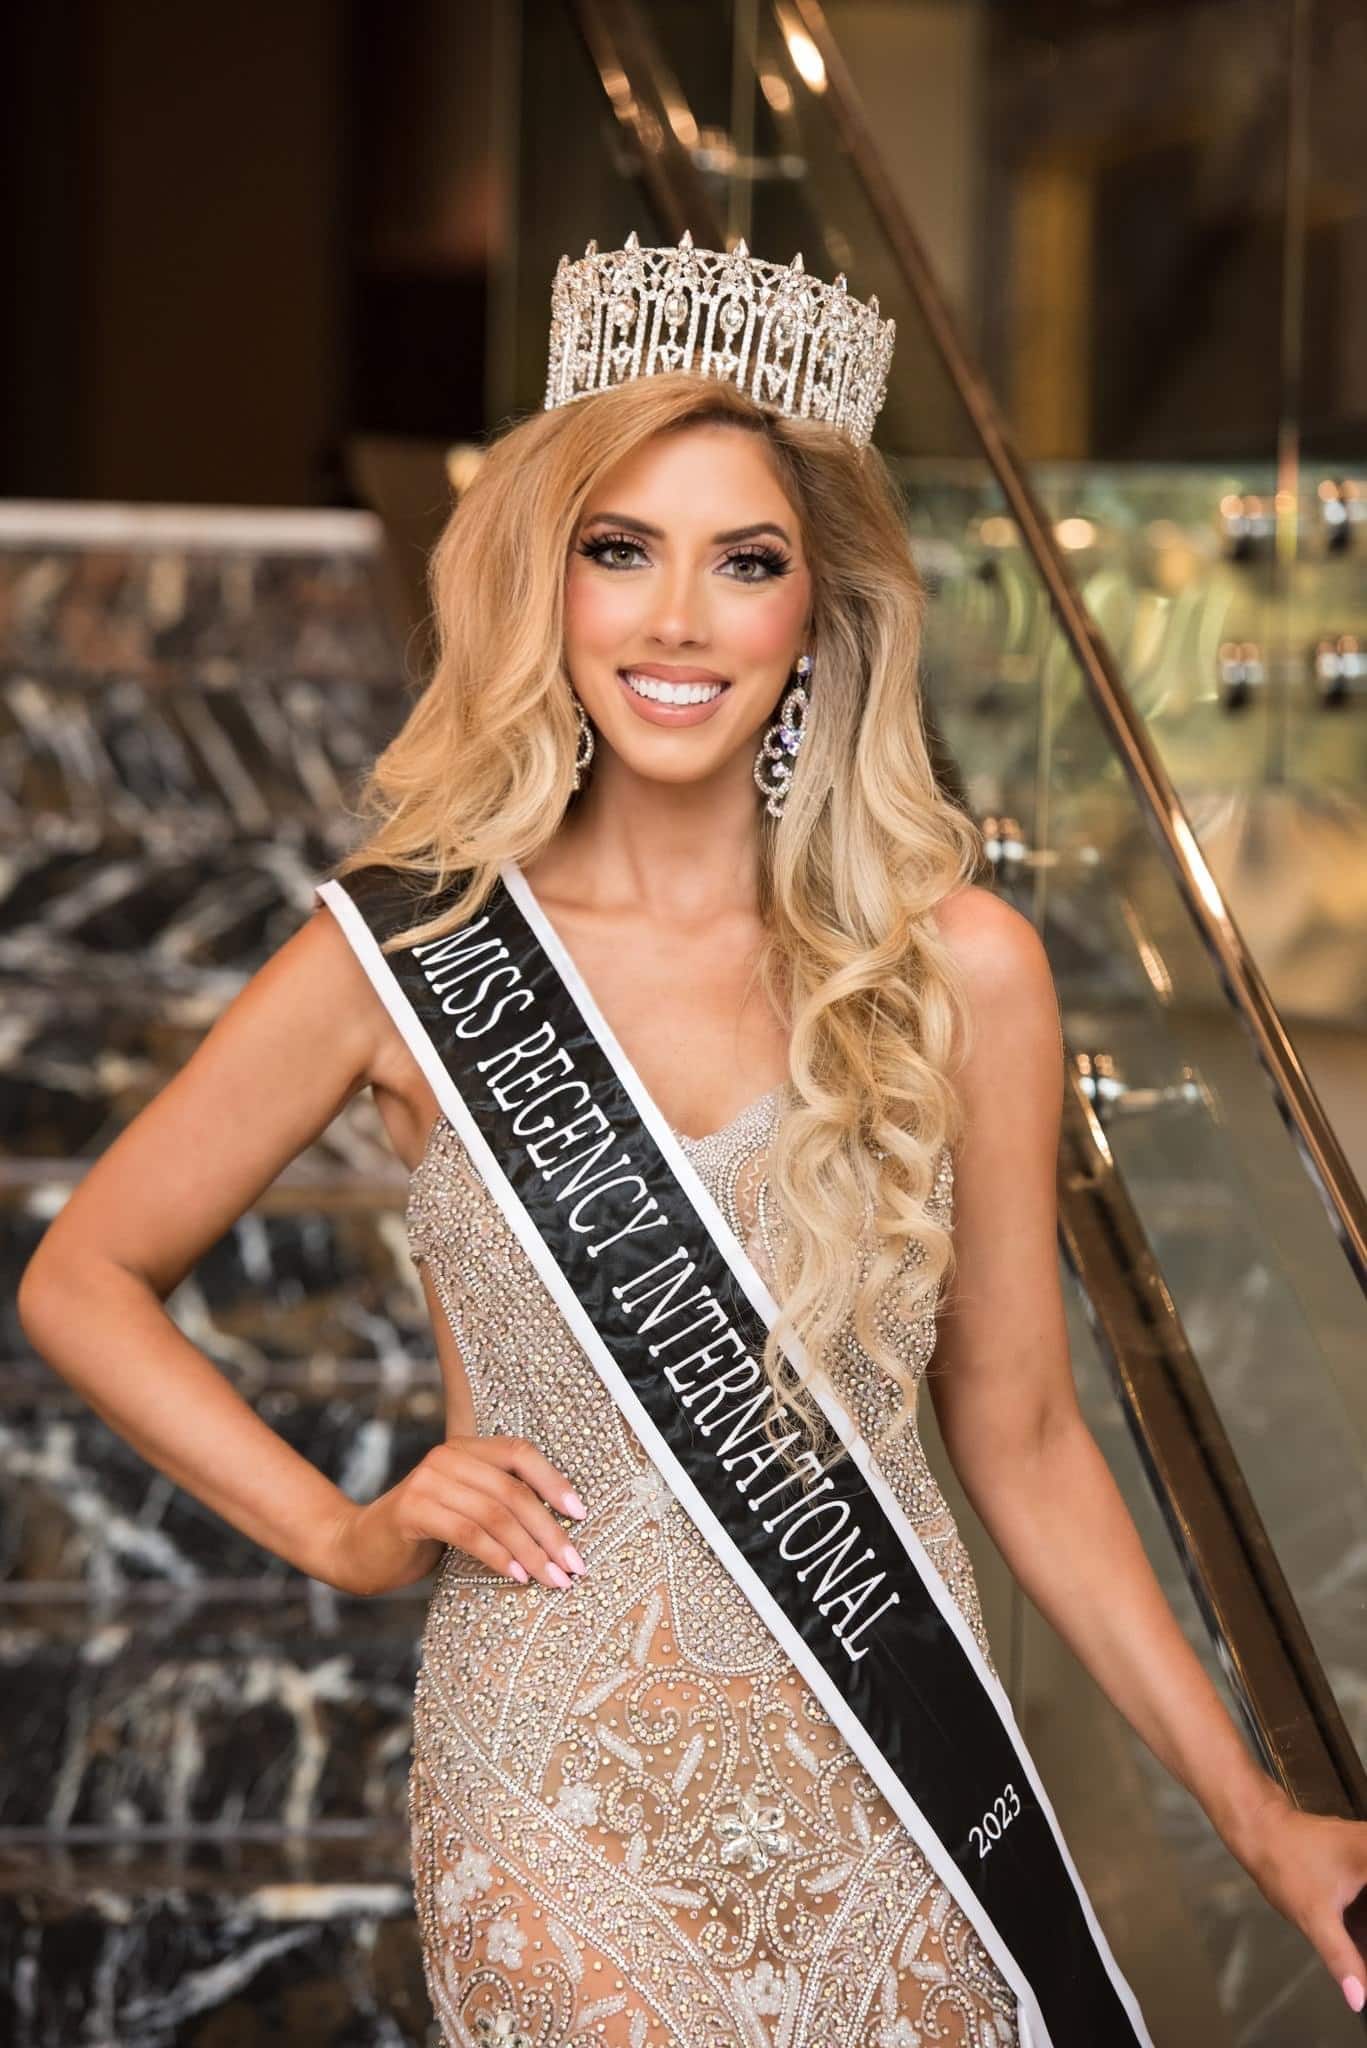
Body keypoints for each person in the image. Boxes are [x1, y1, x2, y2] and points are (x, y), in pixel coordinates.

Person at [18, 233, 1367, 2048]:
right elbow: (83, 1275)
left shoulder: (961, 971)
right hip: (556, 1798)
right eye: (618, 550)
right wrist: (342, 1534)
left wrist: (1262, 1821)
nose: (675, 620)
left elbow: (1027, 1435)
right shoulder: (411, 953)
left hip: (896, 1781)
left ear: (820, 608)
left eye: (745, 563)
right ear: (547, 586)